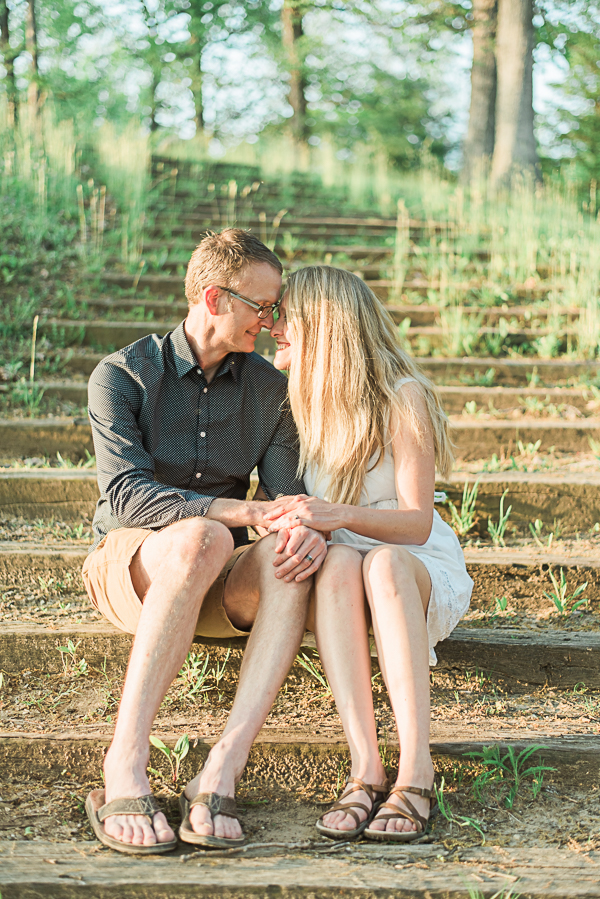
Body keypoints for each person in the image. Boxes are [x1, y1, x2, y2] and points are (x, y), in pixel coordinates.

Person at [81, 229, 327, 854]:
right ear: (216, 298)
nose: (272, 322)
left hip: (219, 583)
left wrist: (301, 531)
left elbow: (284, 496)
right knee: (202, 536)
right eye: (263, 306)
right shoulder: (123, 375)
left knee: (281, 555)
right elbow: (128, 498)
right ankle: (125, 764)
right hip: (133, 566)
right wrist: (238, 511)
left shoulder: (270, 390)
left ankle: (222, 767)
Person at [265, 265, 473, 843]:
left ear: (326, 324)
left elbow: (415, 521)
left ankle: (415, 772)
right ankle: (365, 767)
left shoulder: (404, 398)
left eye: (287, 317)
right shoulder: (299, 402)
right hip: (344, 567)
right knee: (336, 563)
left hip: (412, 563)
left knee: (377, 562)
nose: (273, 327)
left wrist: (337, 515)